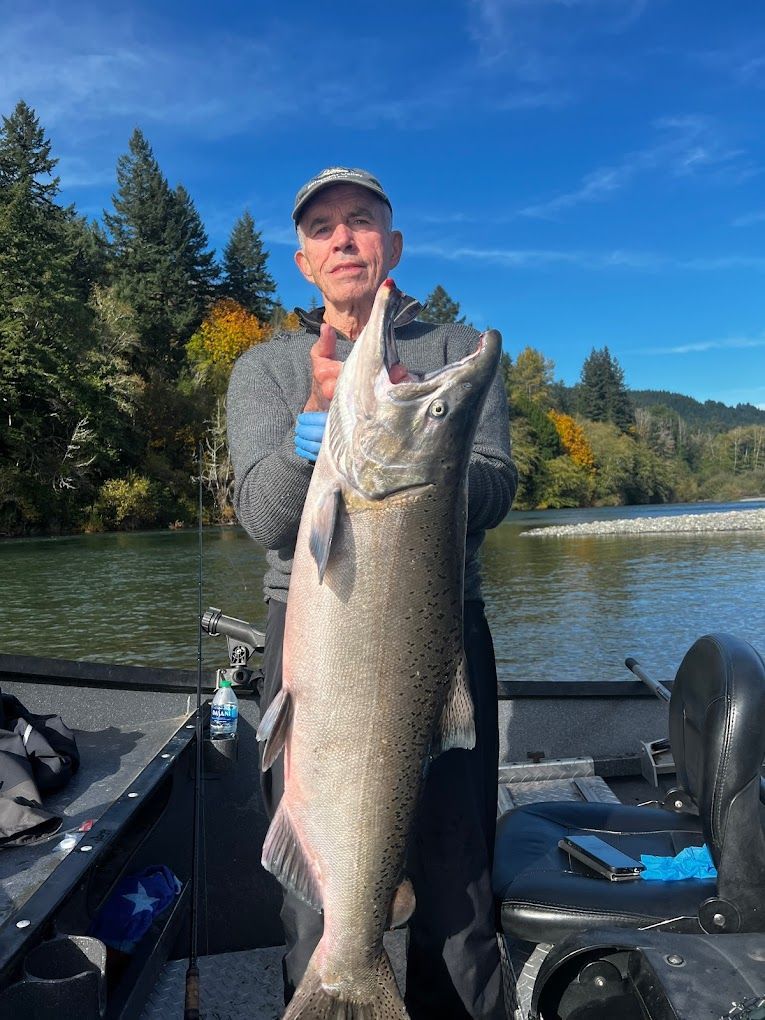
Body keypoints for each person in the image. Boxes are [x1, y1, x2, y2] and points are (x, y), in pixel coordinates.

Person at [227, 167, 517, 1019]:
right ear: (304, 261)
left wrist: (414, 456)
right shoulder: (267, 369)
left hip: (440, 638)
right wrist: (304, 443)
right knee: (312, 900)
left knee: (459, 889)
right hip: (311, 642)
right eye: (324, 229)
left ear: (391, 247)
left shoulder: (456, 351)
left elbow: (496, 487)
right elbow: (261, 516)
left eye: (361, 222)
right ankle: (335, 979)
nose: (343, 238)